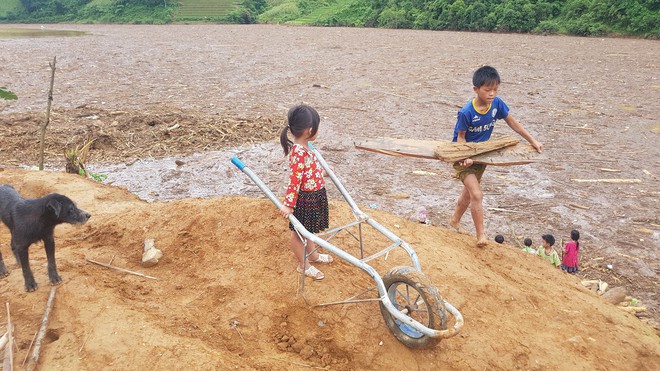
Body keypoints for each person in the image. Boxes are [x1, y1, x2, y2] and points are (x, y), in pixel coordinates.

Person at [449, 66, 543, 247]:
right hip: (462, 157)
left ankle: (454, 221)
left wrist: (532, 140)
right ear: (476, 89)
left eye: (495, 90)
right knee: (476, 194)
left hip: (482, 157)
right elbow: (460, 137)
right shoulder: (467, 112)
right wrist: (465, 156)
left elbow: (512, 122)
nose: (491, 94)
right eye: (487, 90)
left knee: (468, 194)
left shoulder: (497, 104)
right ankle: (481, 236)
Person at [278, 104, 334, 280]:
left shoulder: (308, 148)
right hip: (305, 199)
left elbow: (308, 171)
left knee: (309, 229)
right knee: (299, 234)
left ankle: (314, 256)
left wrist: (322, 173)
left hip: (315, 195)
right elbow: (295, 179)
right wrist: (288, 205)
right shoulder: (299, 152)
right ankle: (304, 265)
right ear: (310, 130)